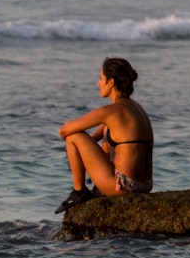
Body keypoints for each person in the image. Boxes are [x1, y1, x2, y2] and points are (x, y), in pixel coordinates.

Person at [56, 57, 154, 213]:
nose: (98, 83)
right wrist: (85, 151)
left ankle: (79, 191)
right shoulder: (136, 108)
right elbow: (93, 141)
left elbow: (64, 131)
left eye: (100, 78)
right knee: (104, 138)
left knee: (73, 137)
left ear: (111, 82)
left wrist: (76, 147)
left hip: (124, 186)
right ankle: (96, 189)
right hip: (146, 184)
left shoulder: (109, 112)